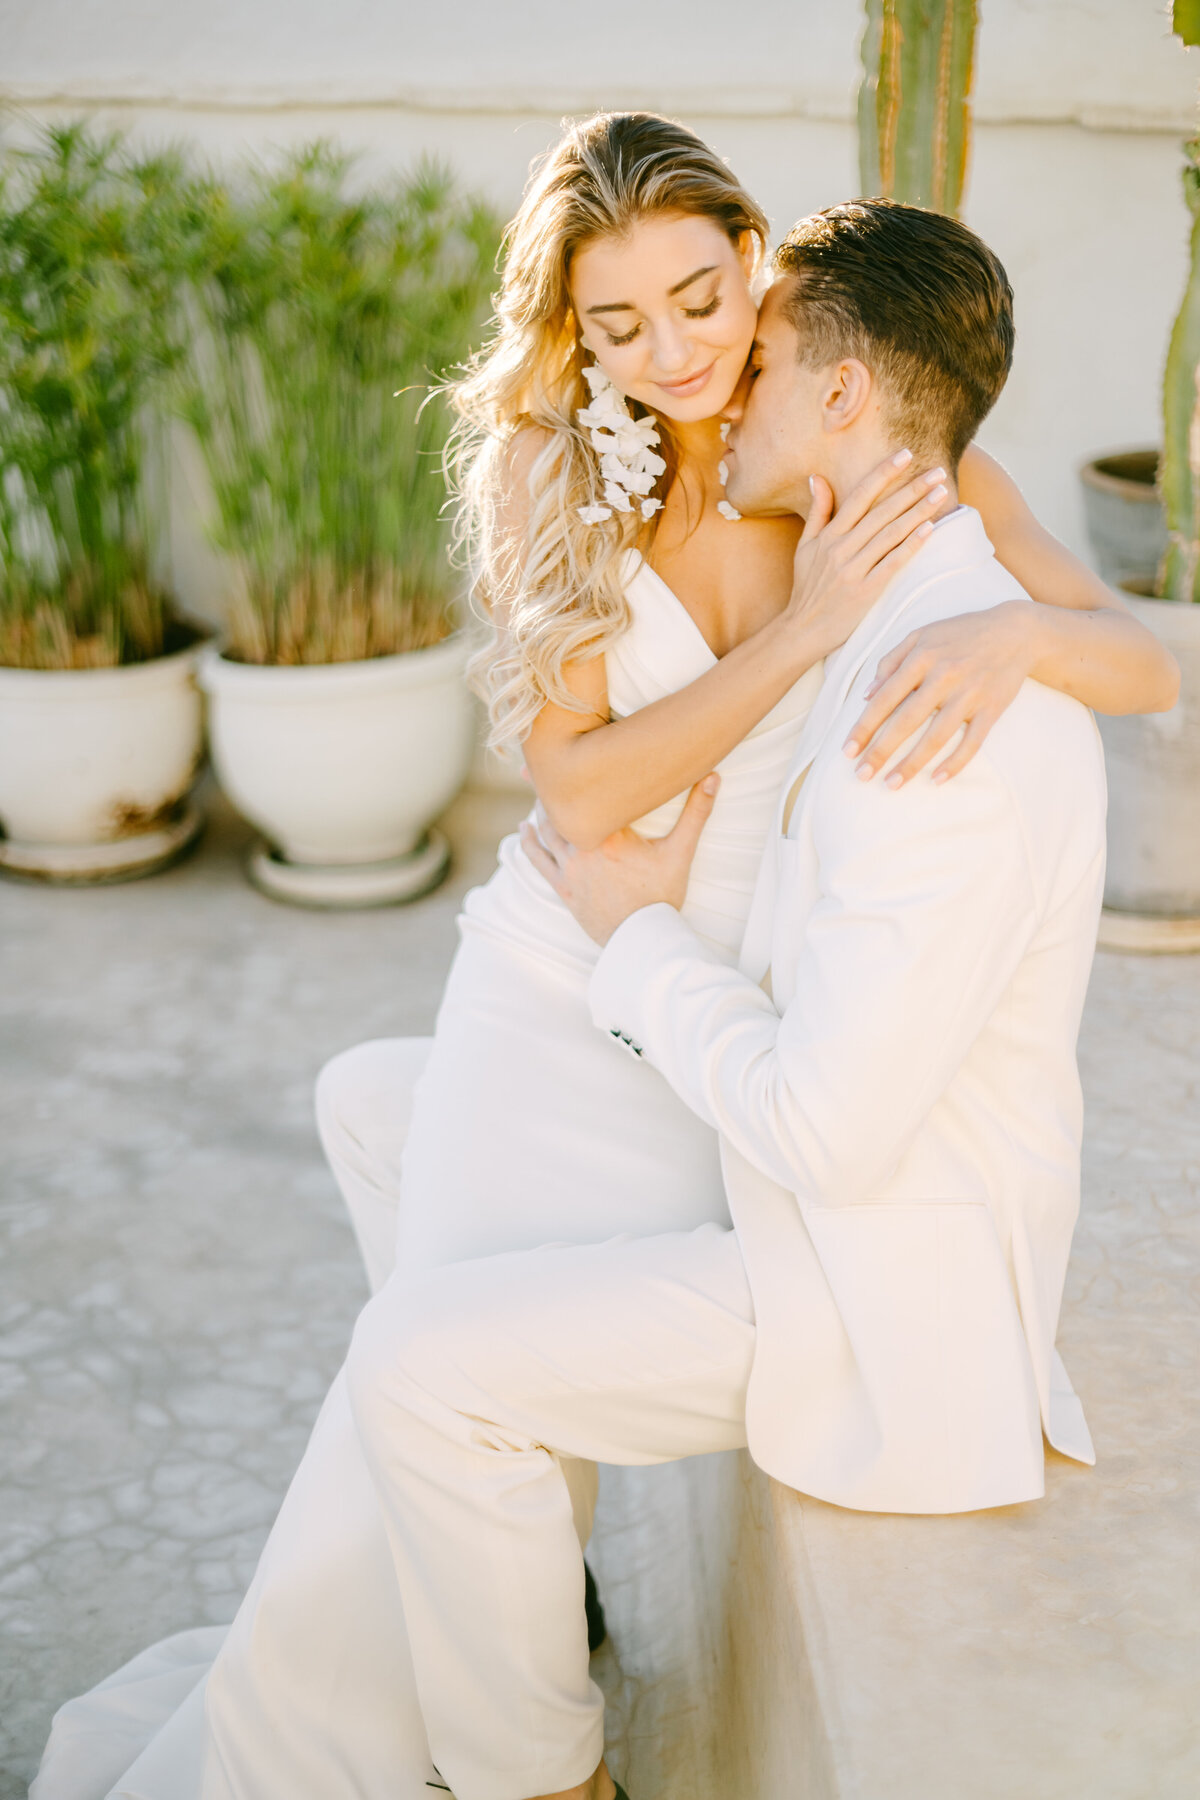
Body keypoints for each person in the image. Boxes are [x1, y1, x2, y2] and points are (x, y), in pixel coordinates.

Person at [31, 118, 1176, 1800]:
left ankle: (501, 1687)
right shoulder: (551, 467)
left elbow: (1136, 667)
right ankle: (393, 1722)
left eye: (704, 300)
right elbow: (577, 790)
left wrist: (1014, 628)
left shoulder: (869, 443)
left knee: (473, 1343)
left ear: (759, 265)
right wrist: (798, 635)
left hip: (723, 992)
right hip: (573, 969)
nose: (673, 353)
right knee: (434, 1355)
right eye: (618, 324)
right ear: (572, 326)